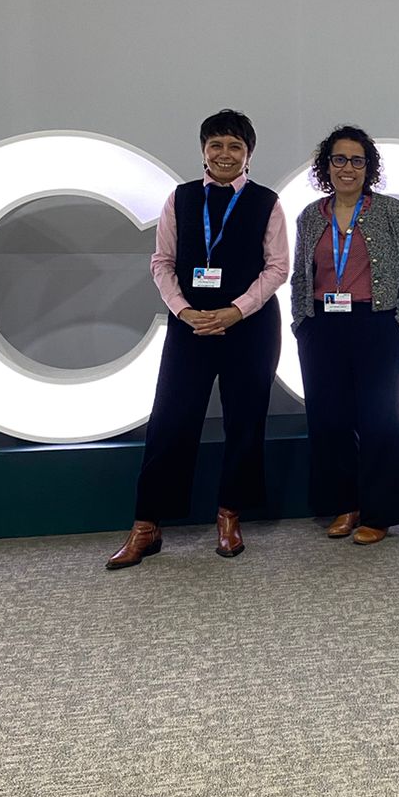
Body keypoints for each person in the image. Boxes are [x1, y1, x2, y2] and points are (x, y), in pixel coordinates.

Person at [105, 109, 289, 569]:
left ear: (249, 154)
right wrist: (184, 311)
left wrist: (235, 310)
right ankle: (147, 525)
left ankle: (230, 515)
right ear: (204, 151)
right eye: (216, 145)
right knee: (170, 421)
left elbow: (277, 267)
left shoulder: (267, 202)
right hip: (189, 326)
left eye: (235, 146)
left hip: (250, 327)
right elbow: (162, 261)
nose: (225, 154)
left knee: (245, 422)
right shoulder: (181, 198)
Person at [291, 125, 399, 545]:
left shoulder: (391, 211)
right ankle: (344, 505)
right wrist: (301, 323)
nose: (348, 168)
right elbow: (300, 274)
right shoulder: (311, 215)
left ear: (369, 167)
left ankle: (379, 513)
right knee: (329, 419)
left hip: (375, 322)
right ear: (326, 166)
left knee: (380, 419)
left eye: (357, 160)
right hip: (322, 327)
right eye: (339, 159)